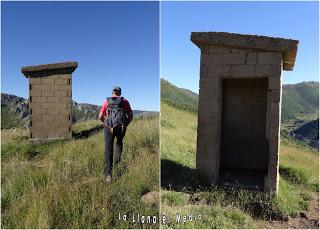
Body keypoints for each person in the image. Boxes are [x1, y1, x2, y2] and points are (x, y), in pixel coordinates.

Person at [98, 86, 133, 182]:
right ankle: (117, 163)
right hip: (121, 127)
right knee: (119, 143)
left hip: (109, 127)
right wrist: (125, 125)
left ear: (112, 92)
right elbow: (130, 116)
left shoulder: (107, 101)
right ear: (120, 93)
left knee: (108, 148)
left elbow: (100, 116)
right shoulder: (125, 101)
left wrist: (106, 123)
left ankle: (108, 174)